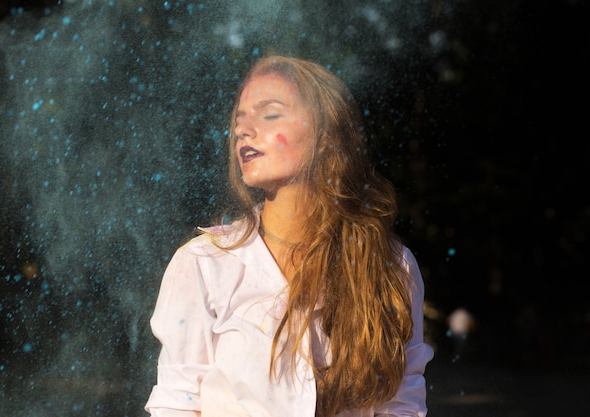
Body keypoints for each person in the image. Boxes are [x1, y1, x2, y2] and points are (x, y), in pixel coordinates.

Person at [144, 55, 434, 417]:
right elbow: (177, 403)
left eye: (269, 114)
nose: (244, 131)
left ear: (326, 134)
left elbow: (402, 402)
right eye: (239, 120)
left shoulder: (391, 266)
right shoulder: (204, 265)